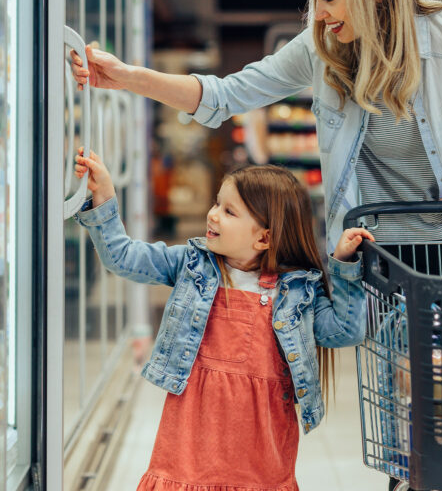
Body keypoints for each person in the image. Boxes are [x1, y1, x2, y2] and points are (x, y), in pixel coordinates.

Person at [71, 0, 442, 279]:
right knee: (409, 386)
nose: (320, 14)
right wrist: (127, 77)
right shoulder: (320, 47)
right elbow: (226, 95)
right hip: (387, 255)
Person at [73, 148, 374, 490]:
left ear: (264, 238)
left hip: (261, 442)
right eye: (217, 204)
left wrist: (344, 267)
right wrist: (105, 196)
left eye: (229, 211)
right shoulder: (191, 264)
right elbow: (123, 257)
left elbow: (345, 331)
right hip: (190, 428)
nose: (213, 215)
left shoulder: (297, 291)